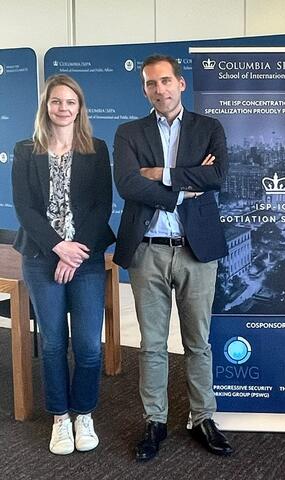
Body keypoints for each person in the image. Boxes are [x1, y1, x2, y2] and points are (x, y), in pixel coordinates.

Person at [113, 54, 232, 461]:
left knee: (199, 342)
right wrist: (183, 186)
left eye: (166, 81)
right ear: (144, 88)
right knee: (152, 344)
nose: (159, 89)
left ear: (181, 83)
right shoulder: (129, 132)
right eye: (151, 83)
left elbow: (217, 177)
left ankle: (204, 418)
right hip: (148, 250)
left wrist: (158, 173)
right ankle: (155, 421)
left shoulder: (208, 128)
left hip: (197, 252)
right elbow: (128, 185)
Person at [12, 74, 115, 454]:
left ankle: (83, 413)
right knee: (54, 343)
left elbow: (102, 205)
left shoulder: (96, 149)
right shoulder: (26, 150)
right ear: (46, 106)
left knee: (88, 345)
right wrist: (58, 247)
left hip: (85, 259)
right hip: (41, 258)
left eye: (70, 102)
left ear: (79, 108)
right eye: (56, 101)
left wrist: (76, 251)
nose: (63, 108)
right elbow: (24, 207)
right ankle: (60, 417)